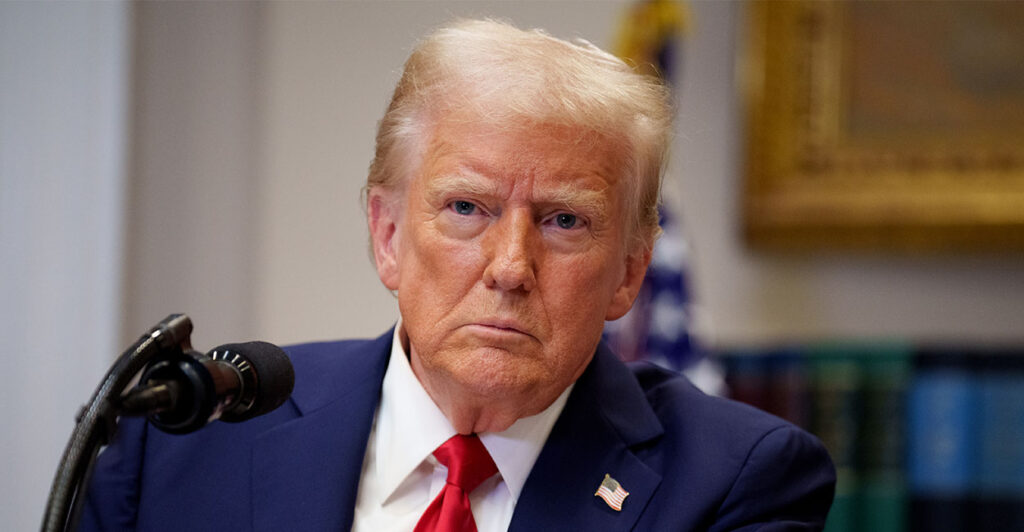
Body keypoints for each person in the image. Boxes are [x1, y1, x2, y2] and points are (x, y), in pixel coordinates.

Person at [79, 19, 834, 531]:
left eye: (564, 221)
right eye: (467, 208)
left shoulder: (736, 483)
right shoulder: (180, 445)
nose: (510, 267)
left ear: (630, 272)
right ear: (387, 235)